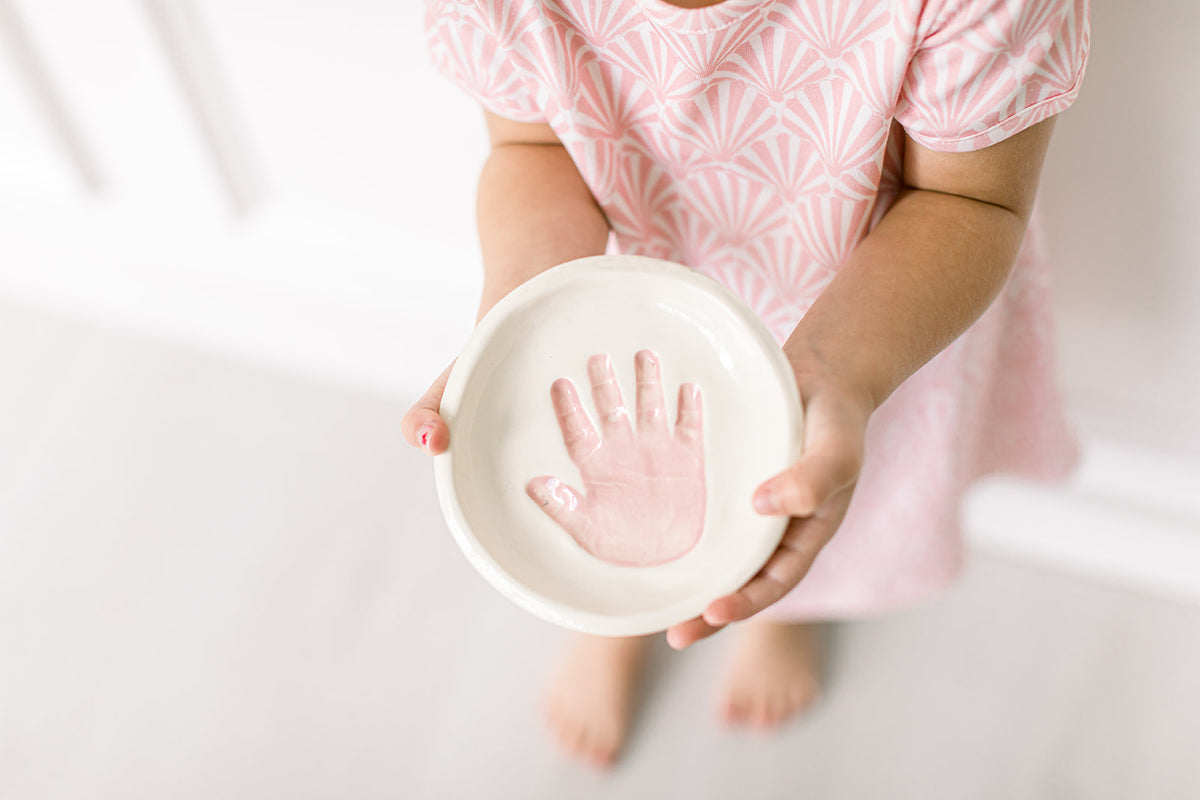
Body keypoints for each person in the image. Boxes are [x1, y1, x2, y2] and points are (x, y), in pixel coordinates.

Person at [403, 0, 1089, 769]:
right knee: (622, 461)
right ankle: (616, 607)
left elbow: (965, 198)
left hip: (874, 313)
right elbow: (532, 145)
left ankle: (789, 608)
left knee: (807, 495)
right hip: (642, 299)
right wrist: (525, 320)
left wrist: (838, 372)